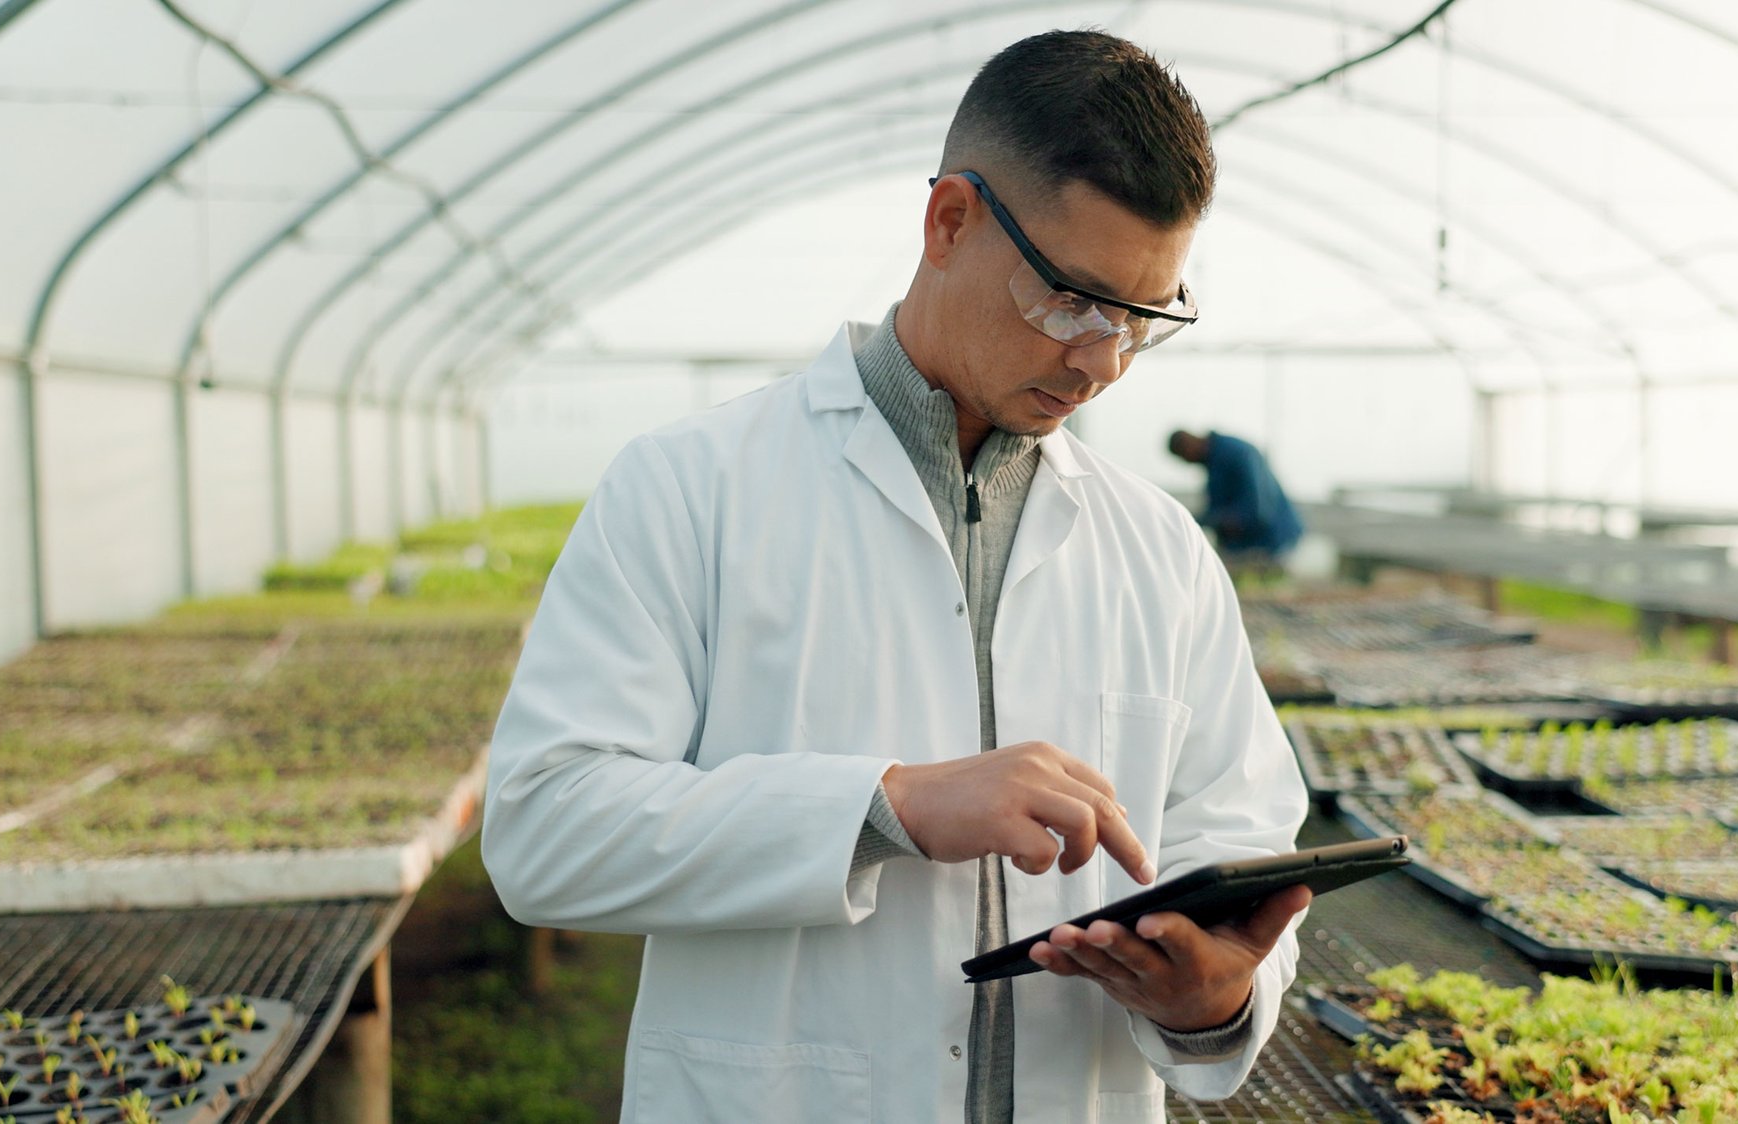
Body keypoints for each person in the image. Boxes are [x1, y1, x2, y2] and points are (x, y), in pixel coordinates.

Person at [482, 29, 1310, 1124]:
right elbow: (547, 831)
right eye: (1072, 299)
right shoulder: (690, 490)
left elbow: (1234, 835)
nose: (1101, 359)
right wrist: (887, 806)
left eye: (1141, 319)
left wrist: (1214, 990)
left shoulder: (1157, 551)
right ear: (948, 221)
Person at [1167, 429, 1303, 564]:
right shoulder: (1214, 462)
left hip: (1272, 542)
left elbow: (1257, 511)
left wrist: (1218, 521)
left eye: (1184, 456)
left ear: (1189, 446)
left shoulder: (1237, 453)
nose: (1187, 462)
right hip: (1251, 545)